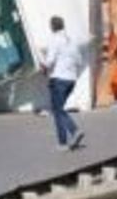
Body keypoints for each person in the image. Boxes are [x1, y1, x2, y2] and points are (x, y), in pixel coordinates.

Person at [43, 16, 85, 151]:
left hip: (58, 79)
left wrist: (42, 64)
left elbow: (49, 61)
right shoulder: (71, 41)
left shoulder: (54, 40)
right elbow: (79, 61)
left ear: (52, 26)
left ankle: (73, 131)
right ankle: (63, 142)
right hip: (71, 80)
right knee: (59, 109)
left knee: (58, 110)